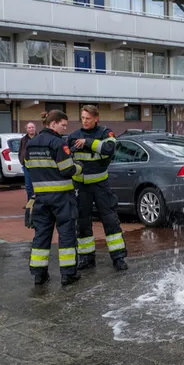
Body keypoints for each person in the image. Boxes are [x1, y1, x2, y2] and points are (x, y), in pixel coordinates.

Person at [25, 110, 82, 286]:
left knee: (41, 235)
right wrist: (79, 167)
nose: (65, 129)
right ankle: (68, 274)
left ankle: (39, 275)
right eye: (63, 125)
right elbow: (67, 169)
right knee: (66, 234)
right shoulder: (58, 143)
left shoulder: (31, 144)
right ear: (53, 124)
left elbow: (27, 165)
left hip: (40, 198)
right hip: (62, 197)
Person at [68, 105, 128, 272]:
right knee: (82, 223)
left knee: (110, 222)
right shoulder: (73, 136)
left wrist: (88, 143)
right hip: (80, 187)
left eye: (88, 118)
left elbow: (110, 148)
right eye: (83, 118)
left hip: (101, 187)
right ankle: (86, 258)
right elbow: (66, 155)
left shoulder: (105, 133)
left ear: (96, 118)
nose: (85, 121)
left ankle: (118, 258)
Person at [18, 122, 37, 201]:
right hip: (27, 166)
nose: (31, 129)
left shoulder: (39, 138)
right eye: (29, 128)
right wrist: (22, 161)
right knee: (28, 186)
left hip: (38, 166)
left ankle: (37, 203)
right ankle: (30, 203)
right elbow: (21, 151)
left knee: (37, 185)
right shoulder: (23, 139)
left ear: (35, 128)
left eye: (32, 127)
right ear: (26, 129)